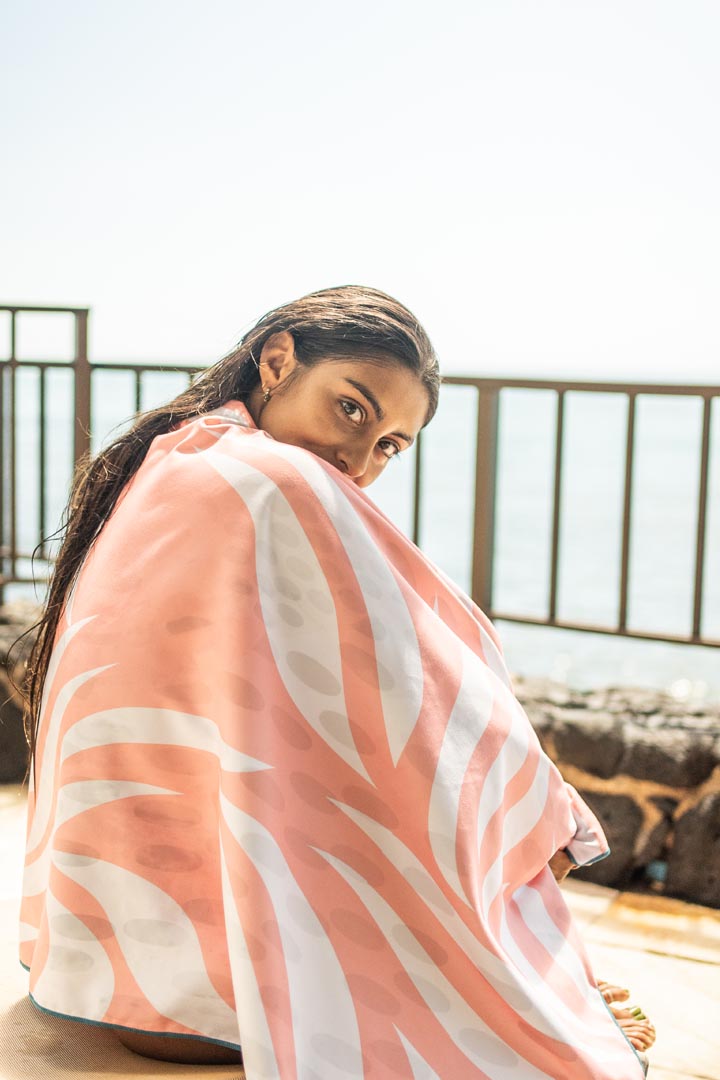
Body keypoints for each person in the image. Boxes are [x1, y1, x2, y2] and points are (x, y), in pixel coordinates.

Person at [19, 285, 654, 1077]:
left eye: (389, 446)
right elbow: (429, 673)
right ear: (277, 362)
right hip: (226, 999)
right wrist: (541, 814)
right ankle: (510, 969)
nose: (358, 460)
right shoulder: (276, 482)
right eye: (351, 409)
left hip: (118, 975)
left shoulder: (179, 454)